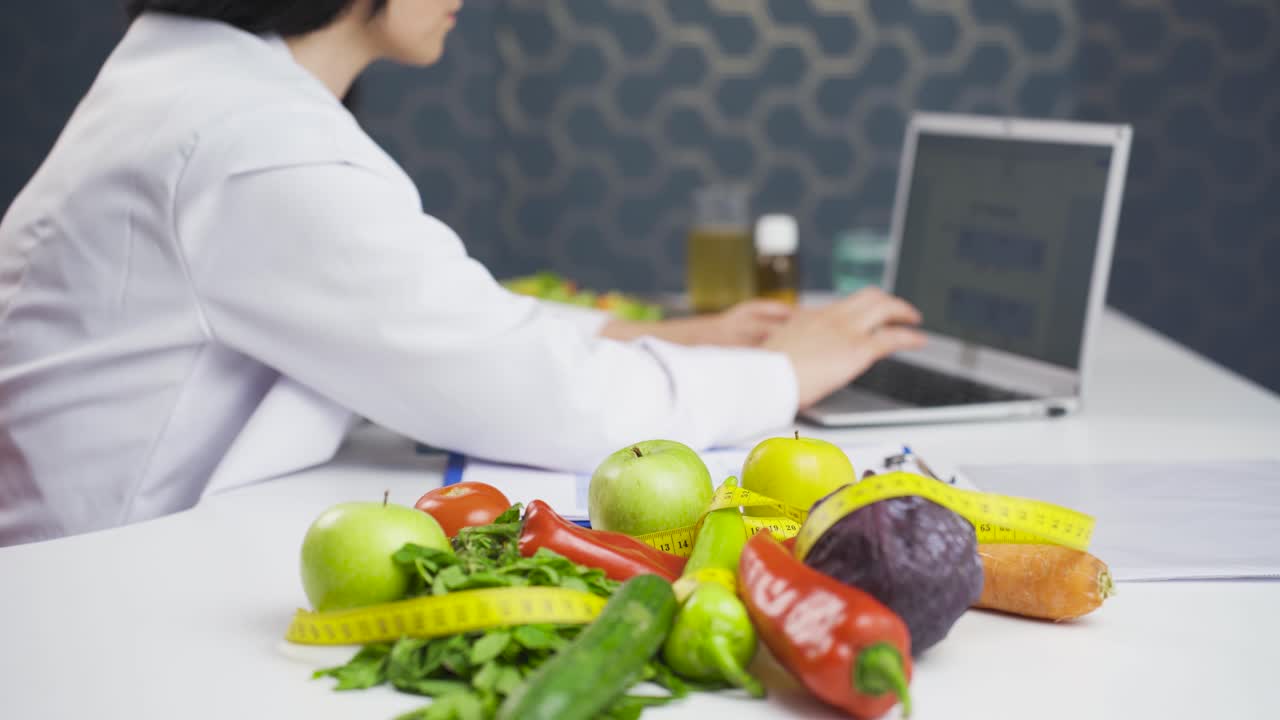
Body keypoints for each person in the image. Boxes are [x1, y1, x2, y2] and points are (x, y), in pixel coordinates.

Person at [0, 0, 926, 546]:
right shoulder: (249, 141)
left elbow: (439, 314)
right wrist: (790, 371)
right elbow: (538, 399)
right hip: (107, 595)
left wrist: (649, 334)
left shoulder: (204, 91)